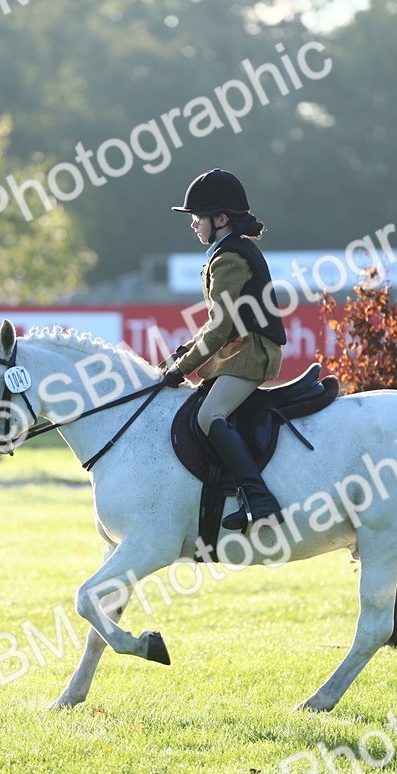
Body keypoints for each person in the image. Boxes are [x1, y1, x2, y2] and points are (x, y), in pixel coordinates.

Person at [161, 169, 288, 529]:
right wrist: (182, 352)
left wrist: (180, 368)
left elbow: (220, 327)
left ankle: (260, 499)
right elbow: (218, 324)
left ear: (221, 219)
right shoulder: (225, 251)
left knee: (208, 416)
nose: (193, 224)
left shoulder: (229, 258)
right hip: (240, 347)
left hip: (251, 351)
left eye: (198, 217)